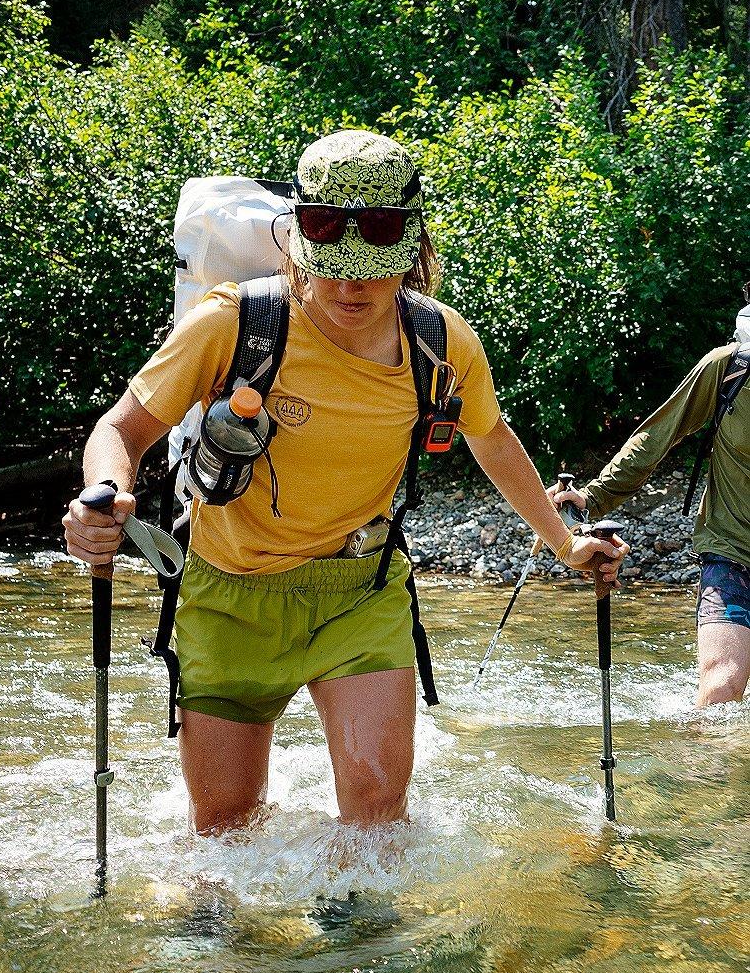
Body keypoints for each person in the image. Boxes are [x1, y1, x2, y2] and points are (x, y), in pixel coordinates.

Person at [63, 130, 627, 834]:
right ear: (299, 243)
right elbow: (121, 430)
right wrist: (104, 496)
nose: (349, 285)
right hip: (227, 594)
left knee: (377, 812)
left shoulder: (441, 344)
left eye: (373, 267)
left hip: (359, 592)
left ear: (411, 255)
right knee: (223, 826)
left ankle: (362, 938)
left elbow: (492, 438)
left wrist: (563, 542)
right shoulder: (234, 322)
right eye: (329, 264)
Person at [550, 343, 749, 708]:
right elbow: (657, 436)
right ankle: (702, 766)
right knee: (722, 685)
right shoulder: (730, 367)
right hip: (731, 548)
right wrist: (593, 497)